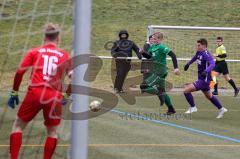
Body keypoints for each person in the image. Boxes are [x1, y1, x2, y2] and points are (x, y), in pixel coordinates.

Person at [7, 23, 71, 159]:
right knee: (52, 132)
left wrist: (14, 92)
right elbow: (74, 78)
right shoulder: (65, 55)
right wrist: (66, 95)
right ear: (58, 37)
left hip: (35, 92)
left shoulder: (34, 52)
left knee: (18, 126)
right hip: (54, 96)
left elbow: (19, 72)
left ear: (44, 37)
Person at [183, 38, 227, 119]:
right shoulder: (199, 52)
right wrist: (188, 64)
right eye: (197, 45)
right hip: (202, 78)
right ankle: (221, 109)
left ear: (204, 46)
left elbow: (212, 63)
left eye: (199, 45)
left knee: (186, 90)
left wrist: (206, 71)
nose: (197, 46)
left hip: (205, 79)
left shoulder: (206, 54)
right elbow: (195, 57)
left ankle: (193, 107)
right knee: (209, 96)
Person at [140, 32, 180, 115]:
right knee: (162, 90)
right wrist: (143, 52)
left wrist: (176, 68)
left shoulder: (162, 47)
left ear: (160, 39)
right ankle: (171, 109)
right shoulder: (153, 47)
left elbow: (173, 55)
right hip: (156, 71)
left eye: (155, 39)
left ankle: (159, 94)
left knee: (143, 86)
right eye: (152, 39)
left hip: (160, 71)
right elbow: (150, 57)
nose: (153, 40)